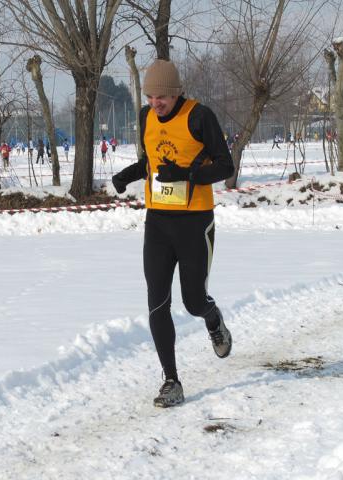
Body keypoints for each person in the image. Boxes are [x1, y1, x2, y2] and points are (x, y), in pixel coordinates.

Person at [111, 59, 234, 408]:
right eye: (150, 96)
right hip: (158, 223)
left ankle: (213, 320)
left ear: (176, 92)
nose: (155, 103)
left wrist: (189, 174)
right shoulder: (145, 117)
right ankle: (171, 380)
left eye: (161, 97)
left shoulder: (199, 116)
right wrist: (128, 175)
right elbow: (152, 162)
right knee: (157, 301)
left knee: (193, 301)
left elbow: (226, 166)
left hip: (195, 223)